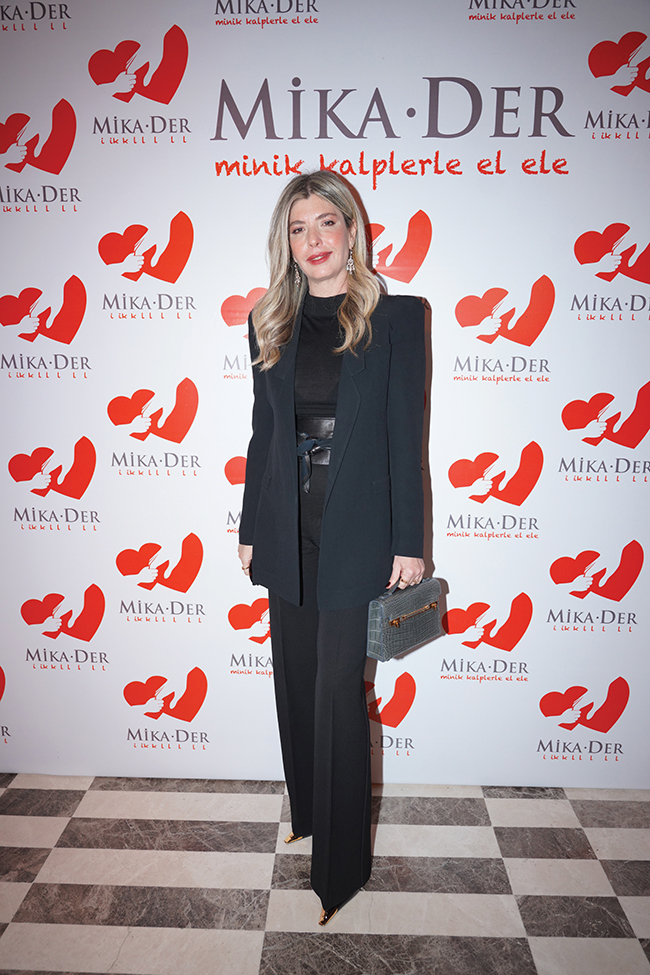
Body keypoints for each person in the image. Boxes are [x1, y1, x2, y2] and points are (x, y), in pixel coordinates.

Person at [237, 170, 426, 925]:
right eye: (297, 227)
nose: (312, 239)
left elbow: (407, 434)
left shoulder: (397, 318)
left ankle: (340, 873)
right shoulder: (269, 321)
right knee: (295, 678)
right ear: (285, 242)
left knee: (339, 691)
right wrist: (251, 528)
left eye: (325, 222)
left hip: (358, 527)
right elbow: (263, 435)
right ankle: (310, 814)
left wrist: (410, 541)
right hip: (287, 522)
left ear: (351, 230)